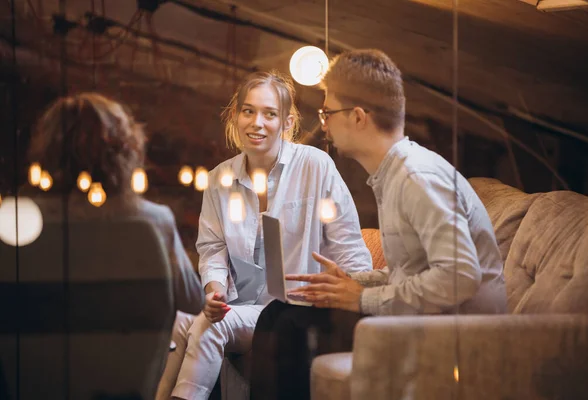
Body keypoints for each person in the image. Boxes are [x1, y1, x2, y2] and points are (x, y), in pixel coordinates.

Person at [250, 49, 507, 400]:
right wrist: (353, 283)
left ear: (358, 117)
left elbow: (460, 276)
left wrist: (365, 298)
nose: (323, 123)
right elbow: (415, 271)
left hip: (457, 340)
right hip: (424, 322)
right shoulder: (394, 175)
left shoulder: (417, 177)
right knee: (281, 314)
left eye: (327, 112)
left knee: (289, 325)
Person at [156, 70, 372, 400]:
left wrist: (355, 298)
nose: (257, 123)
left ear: (287, 122)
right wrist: (213, 291)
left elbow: (349, 246)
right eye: (248, 111)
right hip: (237, 303)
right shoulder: (219, 178)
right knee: (179, 321)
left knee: (211, 327)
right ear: (235, 116)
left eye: (270, 114)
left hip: (290, 310)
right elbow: (212, 247)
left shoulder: (315, 165)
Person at [26, 92, 206, 398]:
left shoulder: (23, 222)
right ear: (124, 148)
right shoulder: (153, 220)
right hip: (126, 388)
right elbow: (192, 300)